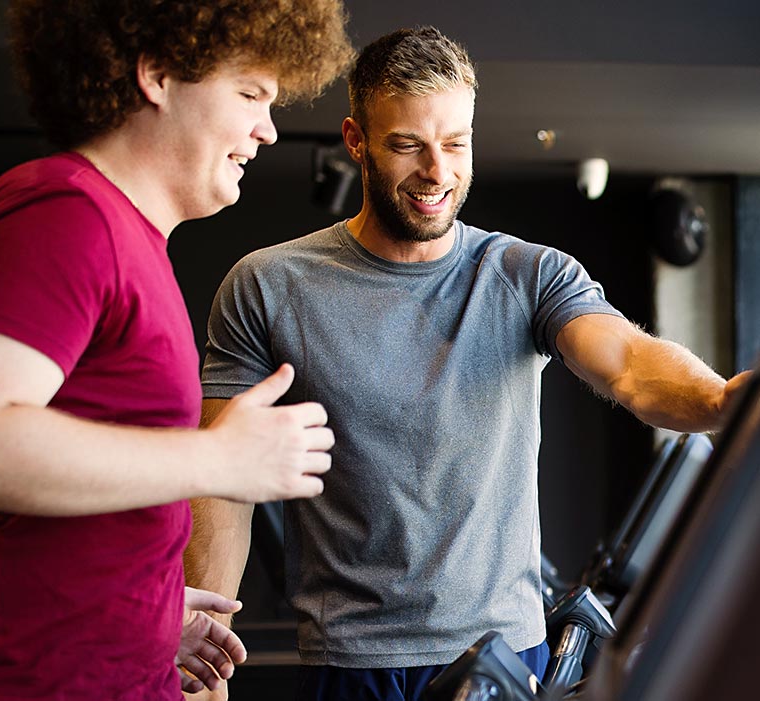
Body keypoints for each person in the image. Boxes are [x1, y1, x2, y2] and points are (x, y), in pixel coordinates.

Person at [186, 25, 753, 701]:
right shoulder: (270, 285)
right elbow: (219, 478)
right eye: (408, 145)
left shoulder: (525, 273)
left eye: (457, 144)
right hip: (348, 661)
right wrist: (205, 663)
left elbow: (628, 363)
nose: (438, 172)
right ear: (356, 140)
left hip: (501, 653)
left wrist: (722, 401)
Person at [0, 2, 352, 700]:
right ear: (157, 75)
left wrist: (146, 613)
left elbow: (72, 500)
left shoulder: (130, 240)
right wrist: (221, 458)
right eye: (250, 94)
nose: (267, 129)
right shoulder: (63, 212)